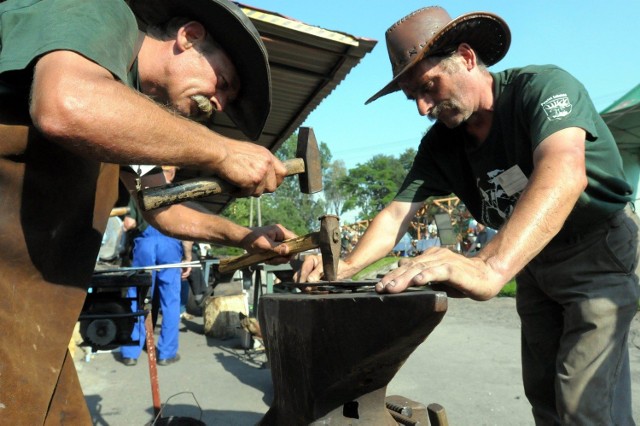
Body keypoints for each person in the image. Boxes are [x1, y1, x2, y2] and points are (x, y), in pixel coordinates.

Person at [296, 6, 640, 425]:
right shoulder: (442, 145)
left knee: (585, 405)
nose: (422, 108)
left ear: (467, 57)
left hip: (596, 248)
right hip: (532, 259)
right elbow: (396, 214)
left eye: (429, 86)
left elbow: (564, 172)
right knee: (545, 399)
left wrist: (488, 265)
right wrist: (343, 267)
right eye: (413, 98)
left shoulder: (542, 88)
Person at [0, 0, 297, 423]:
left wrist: (244, 237)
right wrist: (221, 150)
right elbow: (64, 104)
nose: (218, 103)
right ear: (189, 37)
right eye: (223, 83)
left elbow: (164, 209)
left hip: (29, 319)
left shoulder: (124, 107)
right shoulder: (103, 11)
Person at [120, 166, 191, 367]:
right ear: (173, 173)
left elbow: (128, 224)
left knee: (137, 295)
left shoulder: (140, 190)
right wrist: (187, 258)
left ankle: (130, 352)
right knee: (170, 299)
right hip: (170, 244)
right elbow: (187, 230)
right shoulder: (179, 193)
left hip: (146, 244)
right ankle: (166, 353)